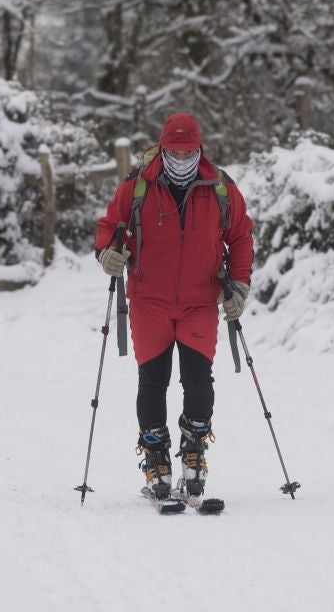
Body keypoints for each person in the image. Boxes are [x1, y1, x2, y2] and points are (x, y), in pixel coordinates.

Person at [95, 113, 254, 500]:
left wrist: (239, 284)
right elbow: (108, 228)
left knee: (199, 384)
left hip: (200, 302)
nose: (181, 160)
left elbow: (241, 235)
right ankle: (155, 458)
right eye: (173, 152)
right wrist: (107, 254)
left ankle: (194, 448)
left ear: (199, 148)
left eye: (187, 152)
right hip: (150, 301)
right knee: (153, 381)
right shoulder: (137, 187)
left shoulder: (220, 187)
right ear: (161, 148)